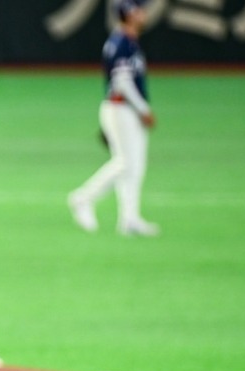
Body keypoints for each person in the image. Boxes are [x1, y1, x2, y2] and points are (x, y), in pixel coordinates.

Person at [68, 0, 159, 237]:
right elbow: (122, 82)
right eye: (139, 10)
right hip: (122, 109)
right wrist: (143, 109)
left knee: (135, 166)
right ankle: (83, 198)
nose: (143, 13)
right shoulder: (121, 43)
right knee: (125, 163)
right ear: (128, 15)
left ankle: (129, 219)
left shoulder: (128, 42)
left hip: (124, 110)